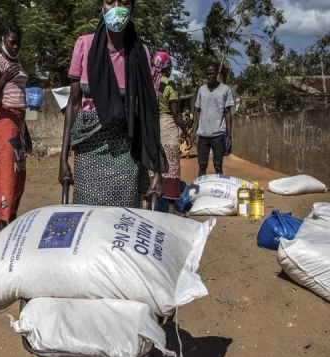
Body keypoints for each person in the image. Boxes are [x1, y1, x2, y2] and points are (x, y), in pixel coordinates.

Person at [59, 0, 168, 209]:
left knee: (123, 223)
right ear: (102, 6)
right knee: (88, 217)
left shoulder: (139, 53)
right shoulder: (84, 45)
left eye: (124, 2)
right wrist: (63, 159)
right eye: (110, 2)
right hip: (88, 151)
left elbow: (147, 113)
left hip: (125, 152)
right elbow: (72, 105)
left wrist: (157, 172)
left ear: (132, 8)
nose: (116, 8)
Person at [0, 21, 32, 233]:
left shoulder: (18, 63)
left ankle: (12, 222)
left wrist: (26, 132)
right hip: (5, 124)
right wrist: (4, 78)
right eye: (12, 42)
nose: (15, 46)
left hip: (18, 125)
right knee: (7, 177)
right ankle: (2, 229)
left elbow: (20, 100)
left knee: (18, 175)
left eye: (18, 43)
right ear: (3, 40)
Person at [151, 51, 190, 212]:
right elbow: (175, 113)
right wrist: (186, 133)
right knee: (171, 166)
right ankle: (171, 210)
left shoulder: (149, 83)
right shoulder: (169, 84)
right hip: (167, 127)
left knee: (153, 166)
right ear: (167, 66)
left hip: (152, 128)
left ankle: (149, 206)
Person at [193, 62, 234, 176]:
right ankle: (200, 191)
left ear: (217, 73)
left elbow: (227, 113)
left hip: (218, 134)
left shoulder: (225, 90)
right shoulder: (201, 90)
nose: (209, 76)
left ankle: (218, 191)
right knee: (202, 165)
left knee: (218, 165)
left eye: (212, 73)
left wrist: (229, 136)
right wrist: (194, 131)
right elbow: (198, 111)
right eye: (207, 74)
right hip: (203, 134)